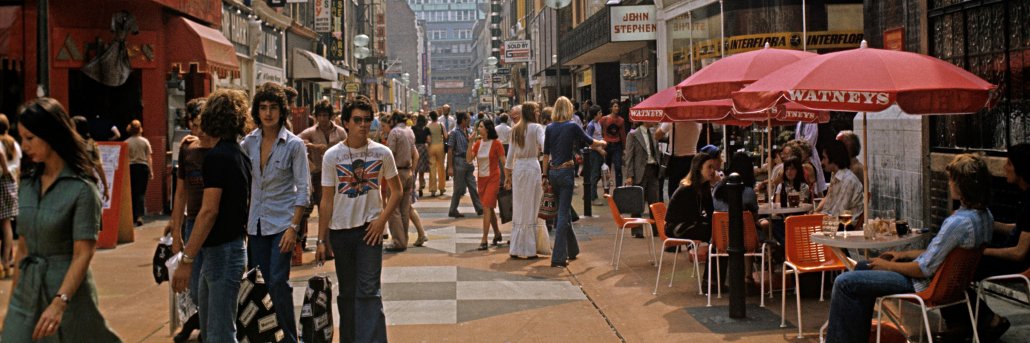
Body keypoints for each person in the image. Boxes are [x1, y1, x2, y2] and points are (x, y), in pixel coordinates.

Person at [826, 153, 994, 343]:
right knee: (863, 267)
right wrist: (903, 254)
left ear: (963, 186)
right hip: (945, 283)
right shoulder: (985, 217)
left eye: (952, 180)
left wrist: (887, 265)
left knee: (844, 282)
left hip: (922, 285)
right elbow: (943, 254)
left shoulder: (958, 223)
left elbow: (922, 269)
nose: (949, 184)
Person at [2, 97, 122, 341]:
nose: (24, 146)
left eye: (30, 138)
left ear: (51, 134)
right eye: (22, 138)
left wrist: (60, 302)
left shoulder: (82, 189)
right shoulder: (27, 183)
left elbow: (84, 253)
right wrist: (14, 304)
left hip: (69, 294)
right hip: (27, 291)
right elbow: (23, 247)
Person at [315, 95, 402, 343]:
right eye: (357, 120)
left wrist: (381, 220)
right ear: (345, 122)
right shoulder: (332, 156)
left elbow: (397, 191)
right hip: (340, 232)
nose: (363, 125)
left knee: (369, 291)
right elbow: (326, 200)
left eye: (367, 120)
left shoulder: (382, 152)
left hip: (369, 231)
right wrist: (321, 239)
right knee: (347, 292)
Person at [240, 82, 309, 342]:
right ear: (257, 111)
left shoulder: (294, 145)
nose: (268, 113)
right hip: (255, 225)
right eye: (263, 108)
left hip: (282, 224)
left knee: (278, 282)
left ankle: (289, 338)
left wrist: (294, 227)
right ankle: (265, 336)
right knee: (259, 285)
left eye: (273, 108)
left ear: (283, 111)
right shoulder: (248, 143)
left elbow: (303, 189)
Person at [939, 144, 1030, 341]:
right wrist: (991, 223)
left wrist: (982, 251)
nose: (1005, 167)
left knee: (952, 271)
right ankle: (967, 323)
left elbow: (1019, 252)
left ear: (1020, 169)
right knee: (953, 269)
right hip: (1006, 256)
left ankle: (983, 320)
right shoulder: (1025, 197)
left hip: (1014, 264)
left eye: (1009, 163)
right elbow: (1018, 229)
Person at [543, 97, 606, 268]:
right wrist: (603, 143)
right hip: (566, 172)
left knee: (563, 211)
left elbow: (546, 154)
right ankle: (558, 256)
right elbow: (590, 142)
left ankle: (572, 249)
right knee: (563, 214)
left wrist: (544, 175)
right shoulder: (572, 126)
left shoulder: (549, 128)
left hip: (553, 172)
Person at [168, 98, 210, 342]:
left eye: (203, 124)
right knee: (194, 286)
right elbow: (180, 191)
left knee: (209, 284)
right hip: (192, 221)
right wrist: (176, 231)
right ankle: (200, 324)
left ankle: (205, 328)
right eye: (195, 125)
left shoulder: (221, 148)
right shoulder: (186, 148)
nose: (200, 131)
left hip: (215, 225)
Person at [298, 100, 347, 253]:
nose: (323, 119)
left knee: (337, 210)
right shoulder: (311, 132)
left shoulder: (340, 132)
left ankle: (334, 245)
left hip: (340, 175)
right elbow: (297, 142)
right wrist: (313, 146)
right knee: (324, 210)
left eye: (325, 115)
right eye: (320, 115)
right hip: (319, 175)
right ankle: (326, 246)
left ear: (331, 116)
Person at [505, 101, 546, 259]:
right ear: (532, 112)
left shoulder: (515, 129)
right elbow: (544, 145)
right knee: (532, 206)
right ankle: (529, 248)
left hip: (518, 169)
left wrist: (508, 177)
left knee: (519, 205)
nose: (538, 113)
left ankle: (516, 247)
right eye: (536, 110)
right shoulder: (536, 128)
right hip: (532, 166)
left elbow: (509, 158)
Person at [665, 152, 719, 242]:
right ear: (699, 168)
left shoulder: (704, 187)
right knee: (709, 229)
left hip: (689, 223)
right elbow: (693, 216)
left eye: (713, 167)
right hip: (675, 227)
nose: (713, 171)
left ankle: (713, 254)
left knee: (717, 227)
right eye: (709, 167)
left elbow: (711, 212)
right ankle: (709, 254)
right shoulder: (687, 188)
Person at [470, 120, 506, 250]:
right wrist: (470, 143)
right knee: (489, 208)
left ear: (487, 129)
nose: (479, 129)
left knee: (486, 207)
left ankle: (484, 239)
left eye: (481, 126)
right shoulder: (478, 143)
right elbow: (469, 159)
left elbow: (503, 161)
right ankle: (497, 233)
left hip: (493, 178)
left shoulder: (497, 144)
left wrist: (507, 178)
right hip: (481, 179)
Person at [385, 111, 417, 252]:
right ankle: (404, 239)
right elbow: (414, 153)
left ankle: (398, 241)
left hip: (396, 171)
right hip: (408, 171)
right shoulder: (410, 131)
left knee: (393, 209)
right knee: (404, 209)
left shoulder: (394, 132)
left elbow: (389, 154)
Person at [623, 121, 660, 238]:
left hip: (653, 169)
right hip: (639, 171)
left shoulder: (654, 132)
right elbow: (629, 156)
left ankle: (656, 229)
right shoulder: (633, 135)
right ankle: (637, 230)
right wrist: (629, 175)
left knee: (654, 201)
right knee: (637, 201)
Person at [816, 140, 864, 226]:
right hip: (833, 224)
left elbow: (838, 214)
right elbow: (829, 207)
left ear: (833, 158)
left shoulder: (848, 180)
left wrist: (815, 217)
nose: (822, 162)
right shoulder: (836, 176)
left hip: (845, 227)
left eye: (824, 158)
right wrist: (814, 214)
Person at [447, 112, 484, 218]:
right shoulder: (454, 132)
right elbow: (450, 150)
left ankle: (479, 208)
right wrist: (450, 167)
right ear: (462, 120)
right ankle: (453, 209)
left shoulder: (468, 131)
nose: (469, 121)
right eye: (467, 119)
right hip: (459, 160)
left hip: (468, 161)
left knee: (472, 186)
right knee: (458, 188)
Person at [656, 121, 703, 201]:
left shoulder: (671, 121)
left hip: (676, 161)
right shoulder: (698, 122)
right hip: (693, 160)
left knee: (674, 192)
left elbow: (657, 135)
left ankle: (675, 211)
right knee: (691, 191)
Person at [72, 116, 110, 202]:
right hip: (72, 183)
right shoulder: (70, 144)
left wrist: (106, 188)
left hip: (86, 182)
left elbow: (99, 166)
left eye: (72, 126)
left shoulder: (91, 145)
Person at [0, 114, 19, 279]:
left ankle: (2, 263)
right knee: (7, 225)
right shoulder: (14, 143)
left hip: (1, 182)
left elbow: (0, 156)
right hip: (12, 185)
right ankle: (7, 261)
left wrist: (4, 169)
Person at [125, 120, 153, 226]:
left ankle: (132, 216)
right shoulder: (145, 141)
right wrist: (151, 171)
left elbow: (124, 158)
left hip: (130, 167)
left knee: (132, 192)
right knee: (141, 192)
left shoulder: (126, 142)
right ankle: (139, 216)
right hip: (143, 167)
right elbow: (149, 157)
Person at [599, 99, 626, 187]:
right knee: (606, 168)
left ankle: (619, 188)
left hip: (617, 145)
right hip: (607, 145)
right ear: (611, 108)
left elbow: (623, 134)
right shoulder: (604, 119)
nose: (617, 108)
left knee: (618, 167)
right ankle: (606, 188)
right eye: (615, 106)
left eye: (618, 106)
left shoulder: (621, 120)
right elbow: (599, 130)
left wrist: (624, 148)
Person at [796, 121, 827, 194]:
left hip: (810, 153)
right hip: (800, 154)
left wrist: (802, 149)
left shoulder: (812, 121)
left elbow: (810, 141)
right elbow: (796, 139)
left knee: (816, 187)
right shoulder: (799, 123)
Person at [583, 105, 606, 206]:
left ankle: (588, 193)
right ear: (595, 115)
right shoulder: (591, 125)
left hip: (599, 151)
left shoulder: (598, 123)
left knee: (599, 174)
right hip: (594, 152)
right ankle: (593, 197)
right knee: (595, 175)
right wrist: (599, 149)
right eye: (600, 113)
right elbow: (589, 142)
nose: (601, 114)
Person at [426, 111, 448, 197]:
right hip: (440, 146)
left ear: (430, 117)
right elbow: (446, 136)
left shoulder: (428, 125)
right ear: (437, 116)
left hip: (431, 147)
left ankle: (432, 189)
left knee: (432, 168)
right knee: (441, 167)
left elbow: (428, 139)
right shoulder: (441, 124)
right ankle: (442, 188)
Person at [413, 114, 431, 197]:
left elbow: (412, 139)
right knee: (421, 171)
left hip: (415, 148)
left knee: (414, 169)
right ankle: (420, 188)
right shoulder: (427, 129)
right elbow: (429, 140)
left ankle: (412, 187)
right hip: (423, 148)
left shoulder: (413, 128)